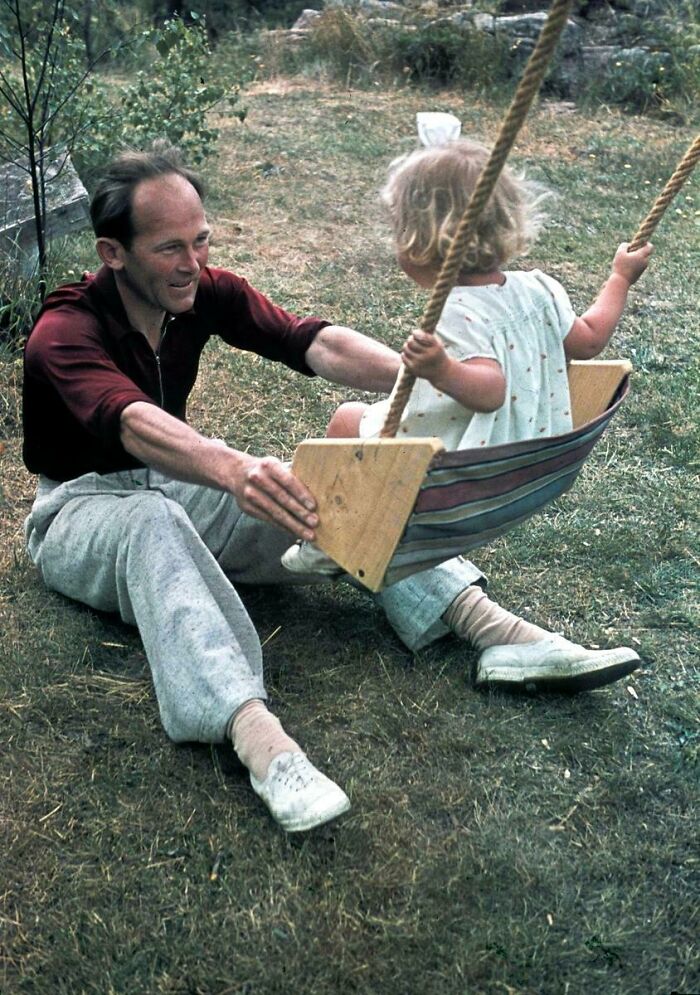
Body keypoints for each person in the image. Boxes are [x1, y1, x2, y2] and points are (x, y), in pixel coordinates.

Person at [22, 144, 642, 836]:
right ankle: (260, 740)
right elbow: (132, 423)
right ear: (113, 253)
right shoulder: (63, 330)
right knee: (151, 522)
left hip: (175, 482)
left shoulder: (201, 294)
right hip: (82, 508)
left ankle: (496, 632)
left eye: (201, 242)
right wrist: (232, 467)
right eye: (170, 248)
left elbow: (312, 342)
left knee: (322, 483)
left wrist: (439, 381)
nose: (193, 263)